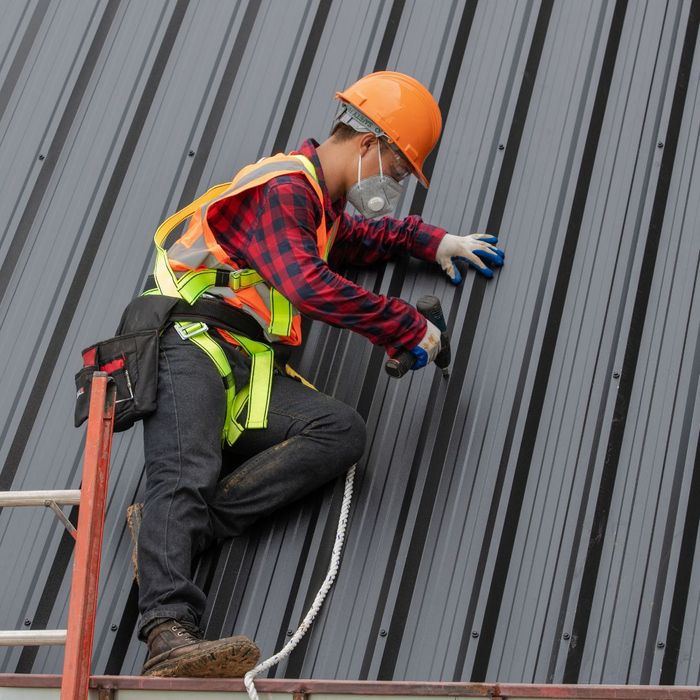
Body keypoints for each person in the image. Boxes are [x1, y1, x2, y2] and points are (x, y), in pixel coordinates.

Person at [131, 71, 504, 678]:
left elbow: (357, 241)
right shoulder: (285, 189)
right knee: (187, 469)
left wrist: (432, 241)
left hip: (242, 364)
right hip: (188, 343)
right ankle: (168, 634)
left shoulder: (318, 209)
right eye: (399, 170)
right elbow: (306, 283)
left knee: (340, 432)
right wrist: (405, 326)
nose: (397, 185)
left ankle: (170, 536)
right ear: (366, 146)